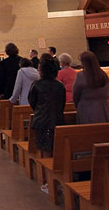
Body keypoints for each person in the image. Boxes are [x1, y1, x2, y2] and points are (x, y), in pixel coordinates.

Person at [28, 58, 66, 195]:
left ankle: (49, 182)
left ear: (42, 70)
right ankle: (57, 181)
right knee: (56, 151)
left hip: (42, 121)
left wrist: (40, 111)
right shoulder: (59, 85)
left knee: (45, 151)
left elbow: (32, 101)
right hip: (58, 121)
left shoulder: (37, 85)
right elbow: (62, 103)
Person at [73, 51, 109, 124]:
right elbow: (106, 92)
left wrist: (77, 106)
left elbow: (75, 95)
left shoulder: (81, 76)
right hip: (103, 108)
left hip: (86, 109)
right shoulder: (103, 74)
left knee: (88, 129)